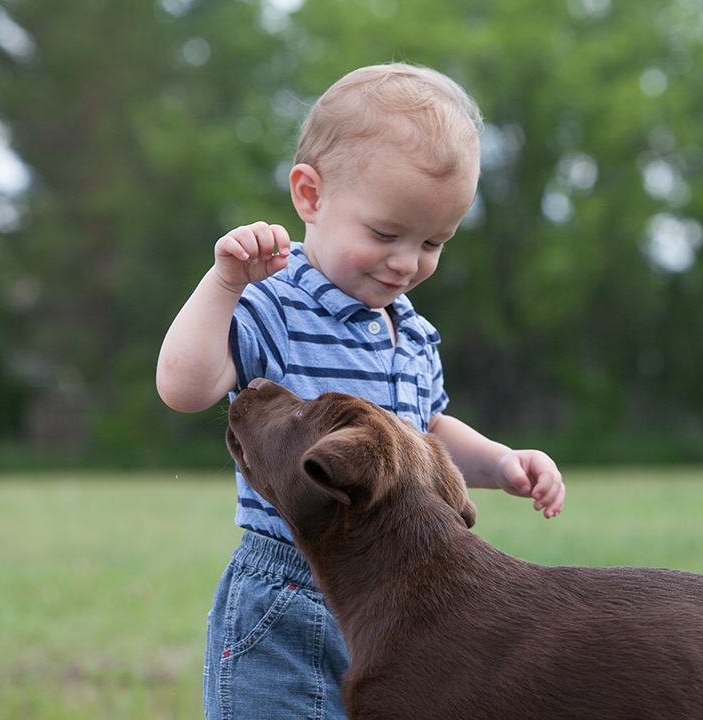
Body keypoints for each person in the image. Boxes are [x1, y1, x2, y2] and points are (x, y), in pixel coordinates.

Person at [155, 62, 566, 720]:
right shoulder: (276, 302)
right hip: (290, 589)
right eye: (384, 234)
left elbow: (428, 435)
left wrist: (500, 462)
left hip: (400, 595)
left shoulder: (411, 331)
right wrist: (225, 284)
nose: (406, 261)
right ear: (310, 196)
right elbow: (184, 387)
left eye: (433, 242)